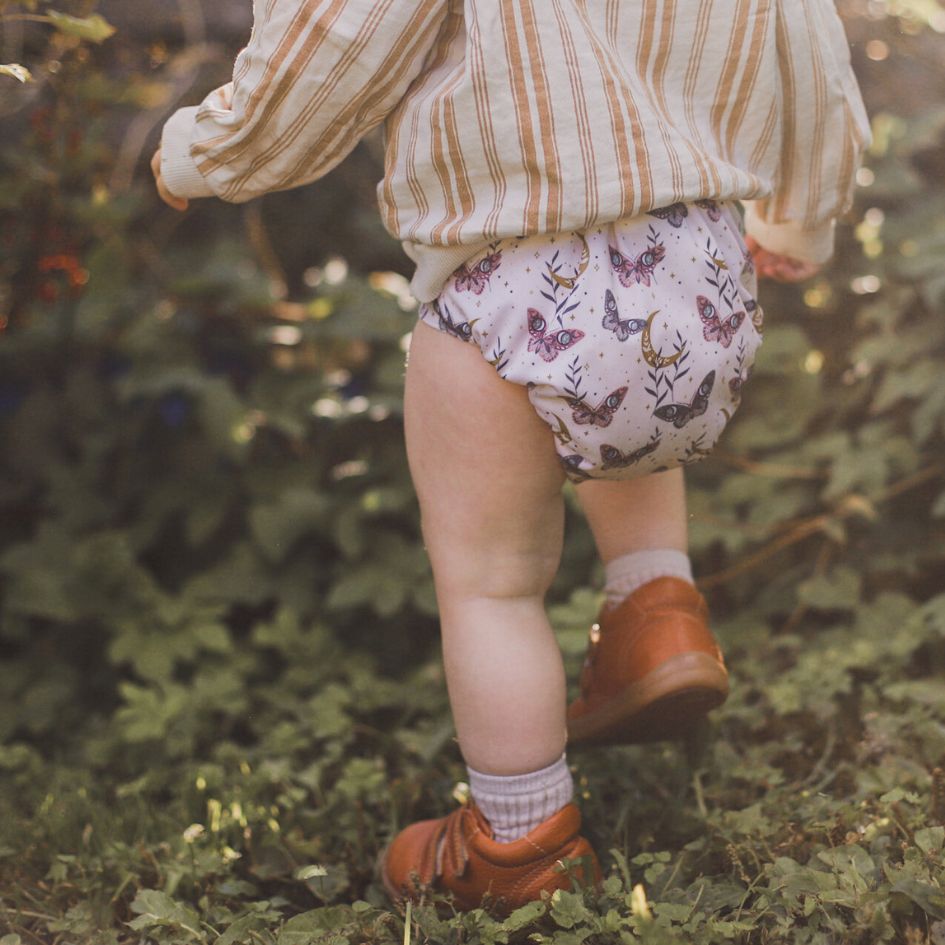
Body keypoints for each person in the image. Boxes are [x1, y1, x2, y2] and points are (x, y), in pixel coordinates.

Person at [152, 0, 870, 915]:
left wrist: (210, 149)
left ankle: (519, 843)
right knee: (629, 413)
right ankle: (655, 609)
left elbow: (340, 35)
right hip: (699, 268)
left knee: (490, 581)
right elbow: (806, 43)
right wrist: (802, 216)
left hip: (510, 270)